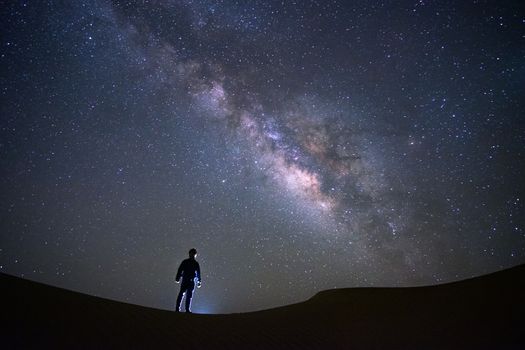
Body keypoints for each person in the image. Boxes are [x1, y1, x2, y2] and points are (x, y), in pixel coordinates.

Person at [175, 248, 202, 313]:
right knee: (182, 294)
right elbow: (180, 269)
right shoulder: (185, 262)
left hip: (191, 281)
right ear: (190, 254)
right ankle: (178, 309)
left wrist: (199, 281)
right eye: (192, 253)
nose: (192, 255)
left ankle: (186, 309)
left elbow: (198, 273)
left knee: (188, 296)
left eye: (194, 254)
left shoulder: (195, 263)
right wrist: (177, 277)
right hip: (185, 280)